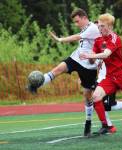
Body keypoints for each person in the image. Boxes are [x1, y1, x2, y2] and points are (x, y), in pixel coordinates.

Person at [27, 8, 100, 137]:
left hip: (88, 66)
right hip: (76, 58)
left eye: (77, 21)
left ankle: (88, 122)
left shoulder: (93, 28)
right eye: (75, 22)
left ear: (84, 17)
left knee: (87, 95)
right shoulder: (85, 28)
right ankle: (35, 85)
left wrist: (60, 40)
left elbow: (77, 37)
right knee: (57, 69)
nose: (76, 24)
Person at [79, 13, 122, 134]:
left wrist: (90, 55)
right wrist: (88, 57)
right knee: (95, 97)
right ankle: (106, 126)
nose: (100, 29)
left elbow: (106, 54)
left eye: (102, 26)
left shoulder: (115, 38)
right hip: (110, 78)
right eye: (99, 26)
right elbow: (92, 58)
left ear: (110, 26)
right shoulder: (98, 40)